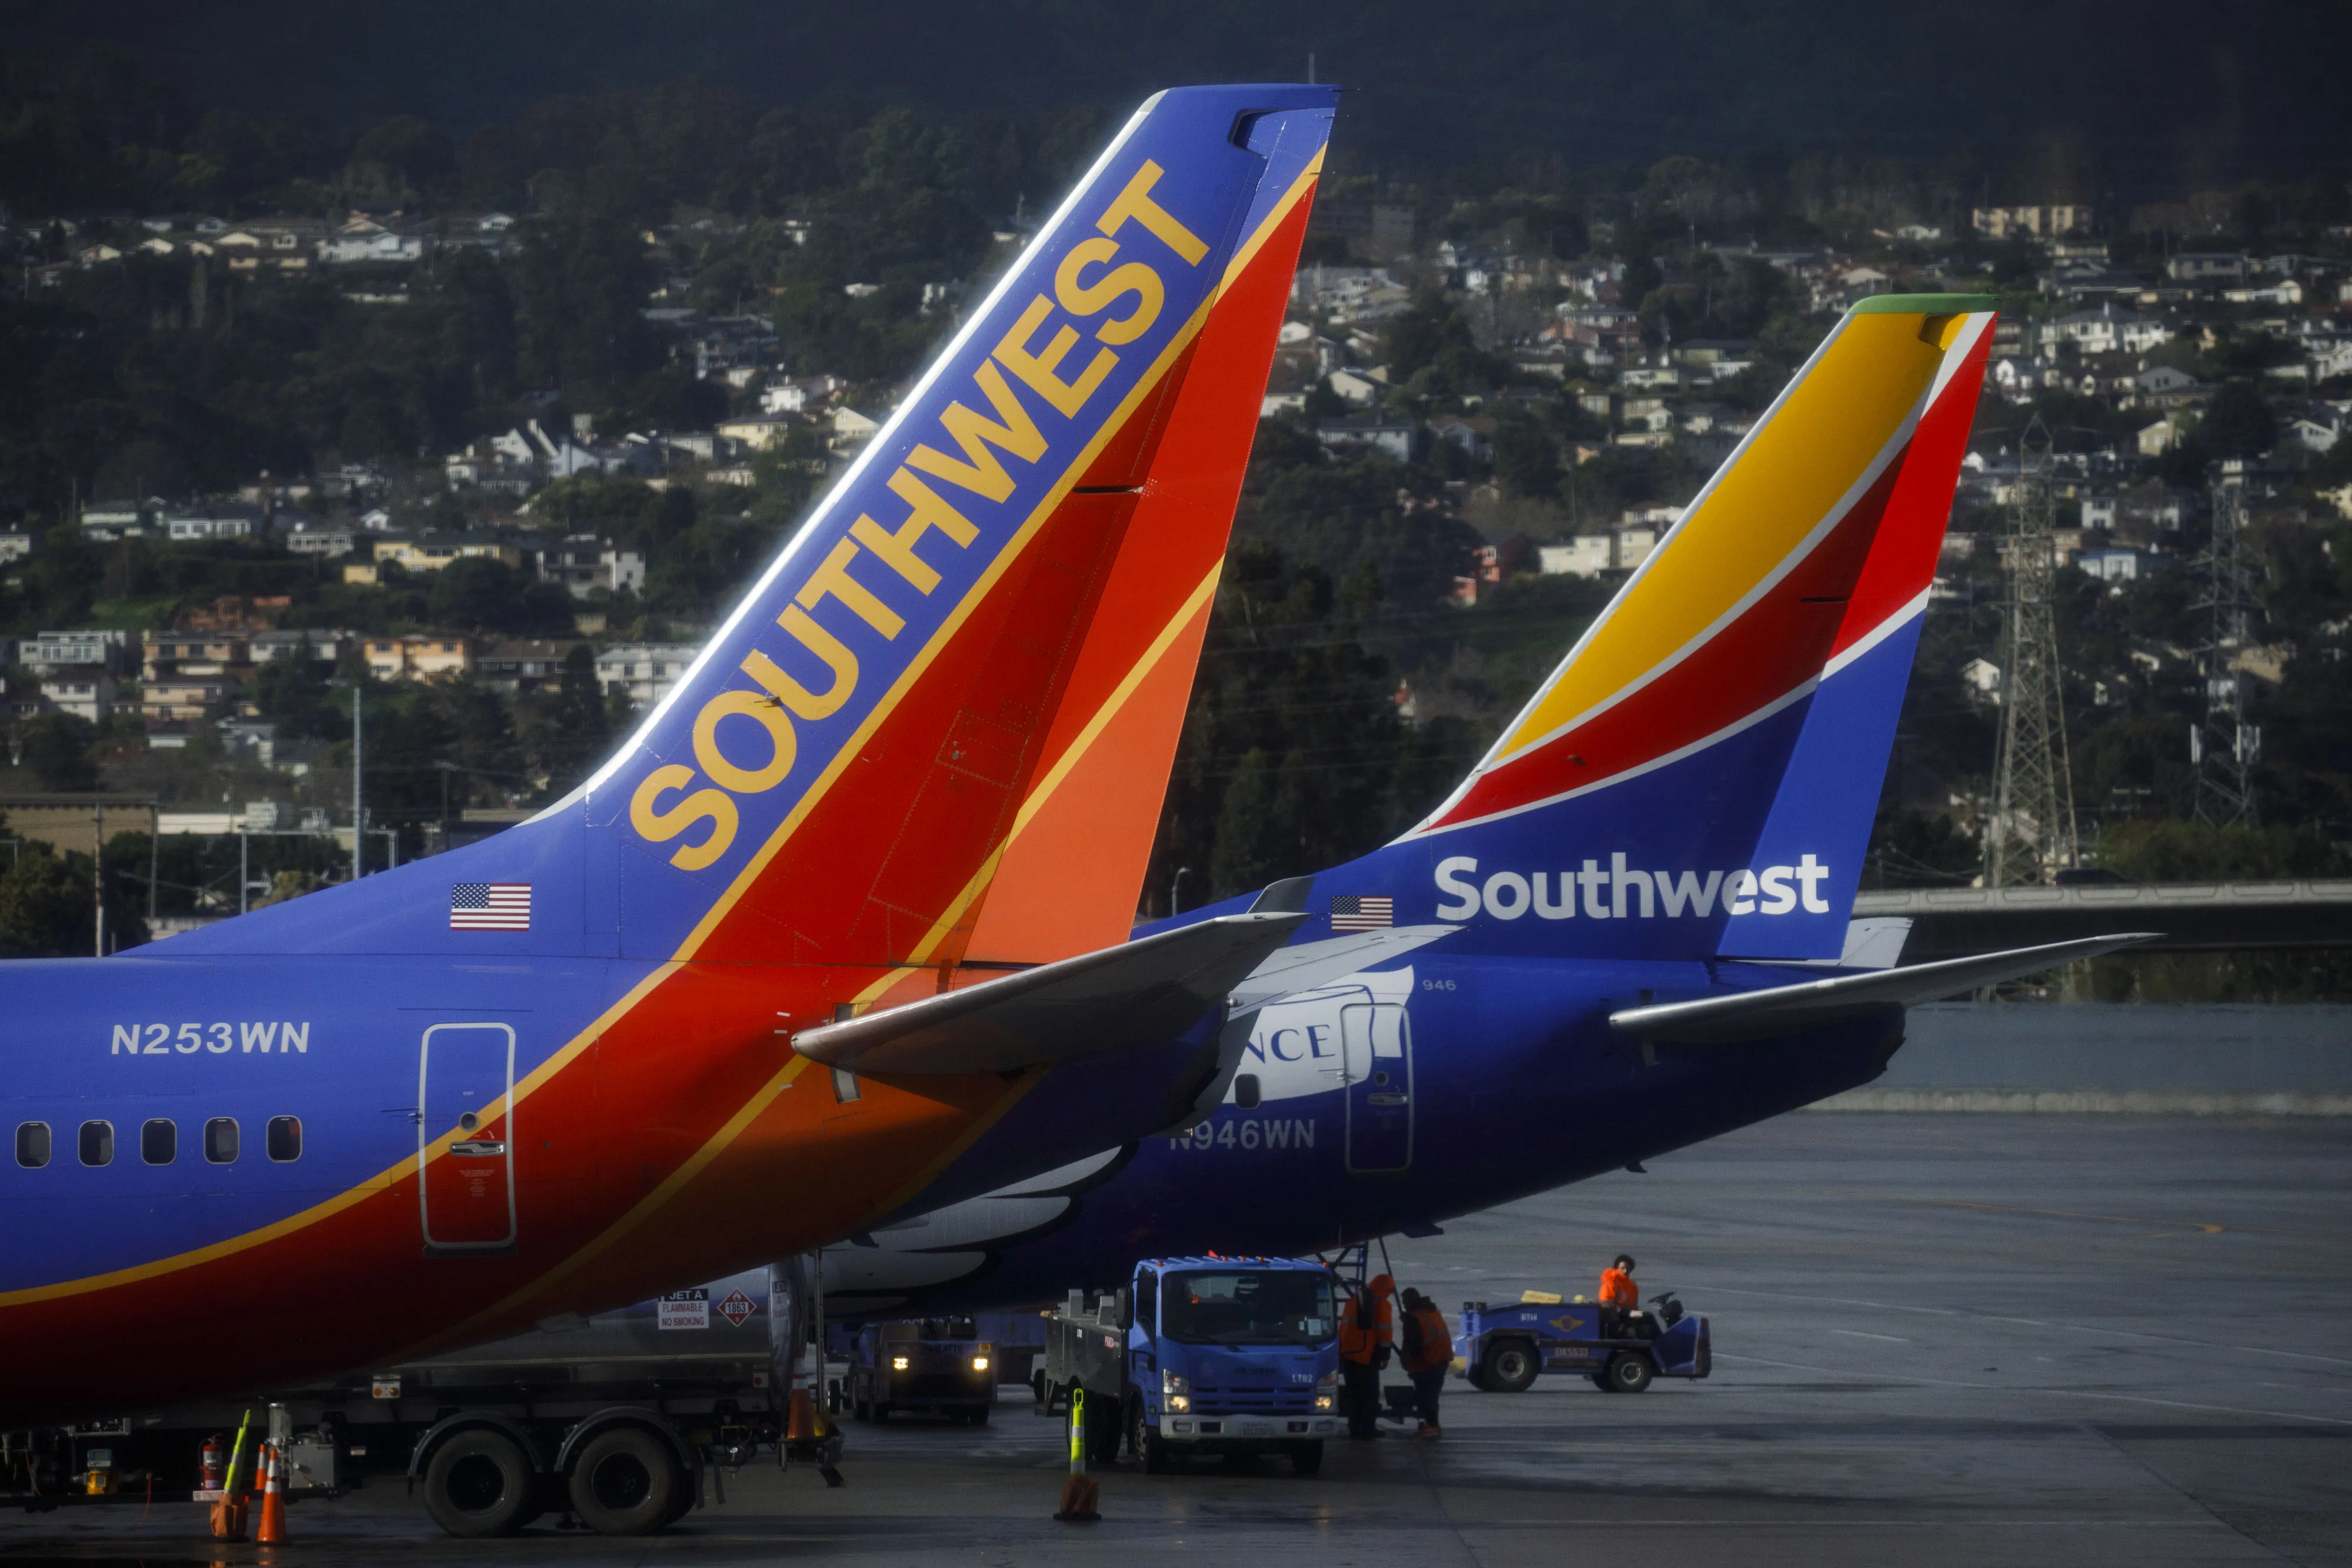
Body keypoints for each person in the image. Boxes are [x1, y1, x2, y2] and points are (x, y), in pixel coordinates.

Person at [1335, 1273, 1395, 1439]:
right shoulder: (1381, 1303)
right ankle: (1368, 1429)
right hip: (1366, 1356)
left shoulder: (1353, 1301)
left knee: (1353, 1395)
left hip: (1348, 1355)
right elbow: (1384, 1331)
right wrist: (1385, 1355)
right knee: (1369, 1395)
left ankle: (1354, 1428)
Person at [1397, 1288, 1453, 1438]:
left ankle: (1431, 1424)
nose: (1404, 1305)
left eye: (1405, 1302)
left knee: (1426, 1395)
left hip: (1429, 1362)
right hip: (1441, 1358)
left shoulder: (1415, 1319)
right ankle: (1432, 1423)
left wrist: (1407, 1362)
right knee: (1431, 1395)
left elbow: (1414, 1346)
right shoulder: (1432, 1311)